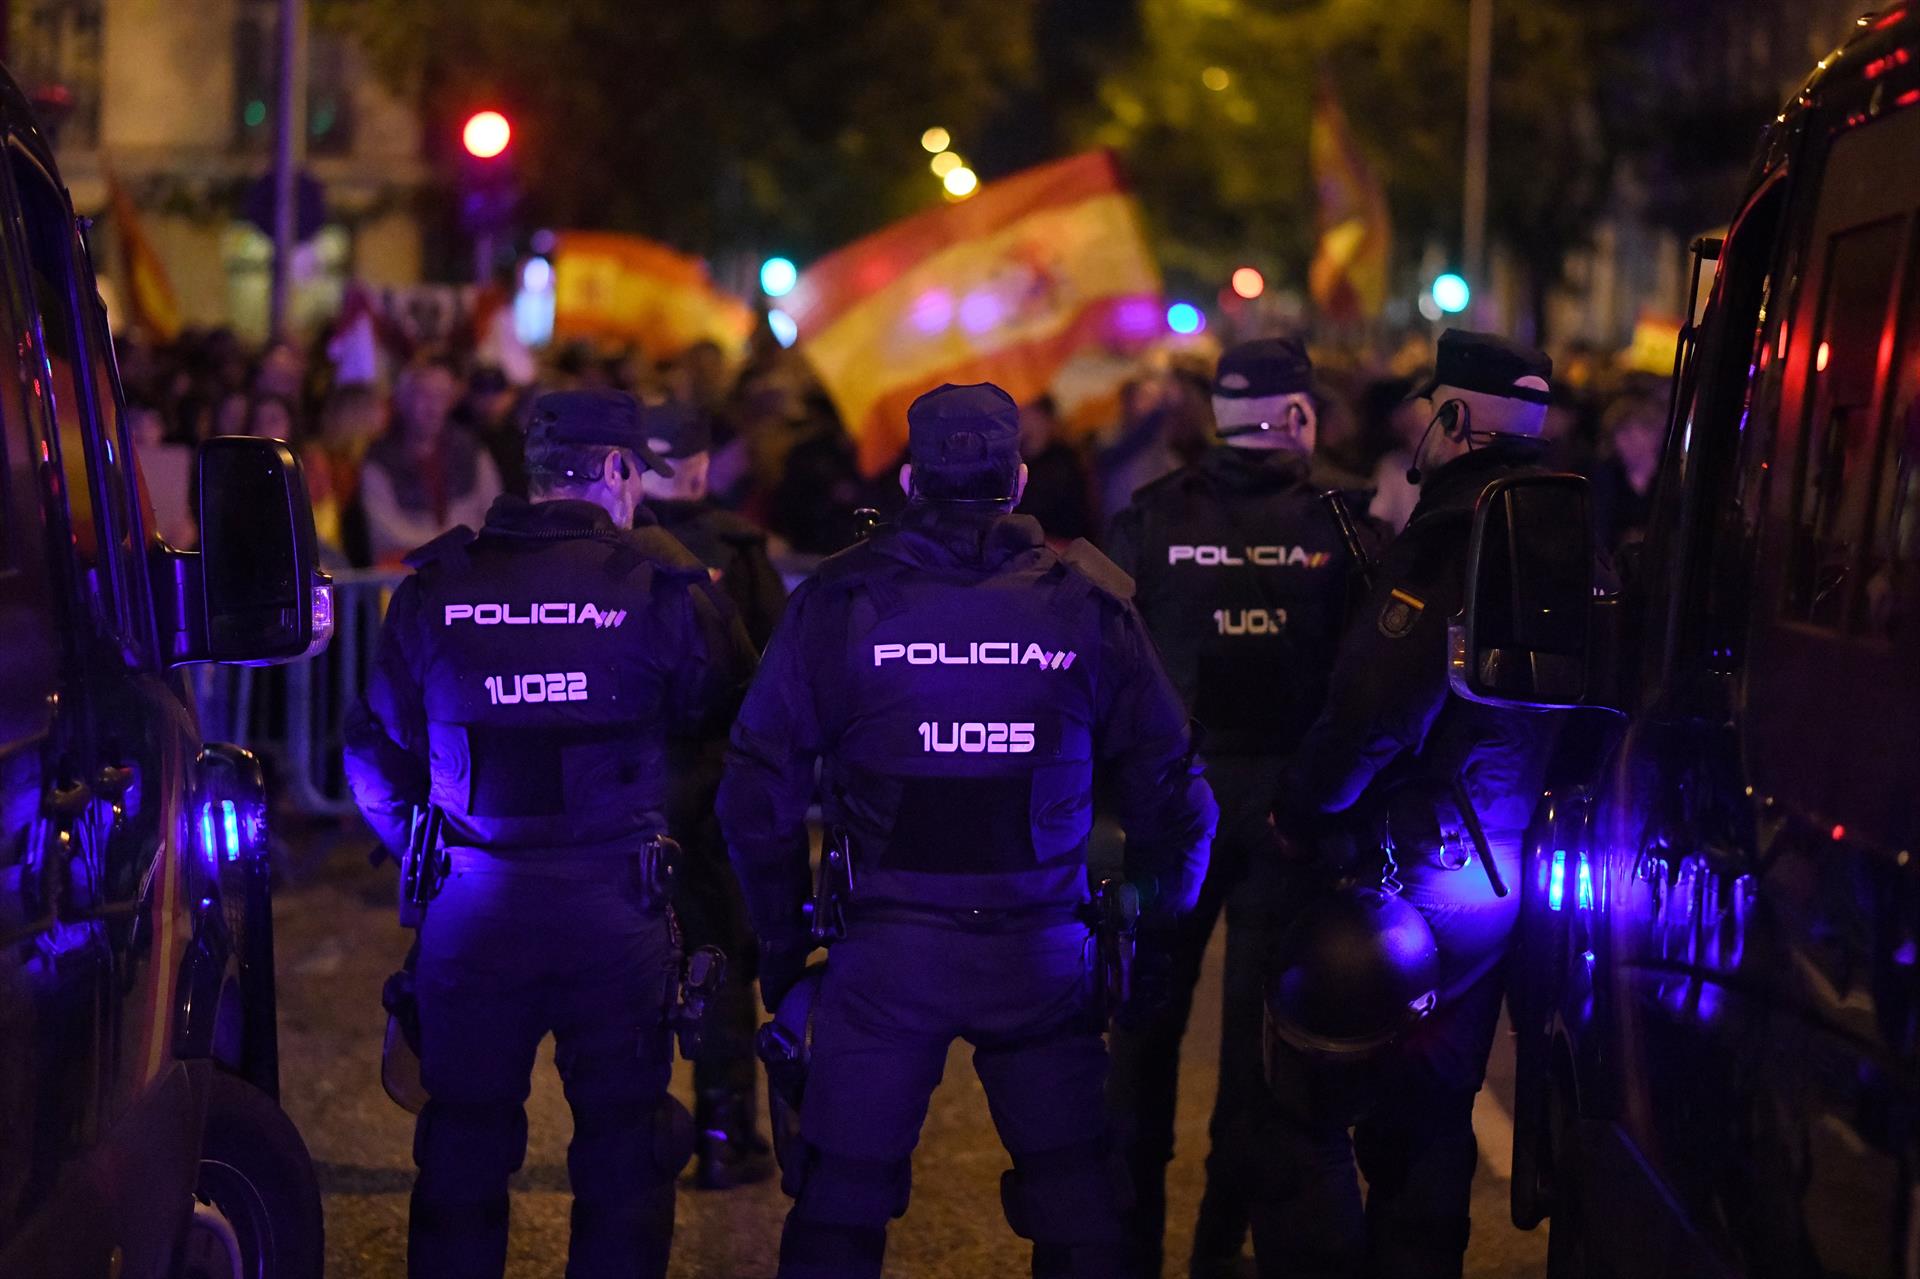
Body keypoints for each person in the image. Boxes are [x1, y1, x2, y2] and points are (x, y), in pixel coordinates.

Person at [718, 382, 1218, 1279]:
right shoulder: (1087, 603)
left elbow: (756, 791)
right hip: (1043, 957)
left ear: (910, 480)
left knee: (838, 1206)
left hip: (884, 959)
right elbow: (1178, 796)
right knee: (1080, 1210)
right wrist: (1150, 943)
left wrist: (787, 952)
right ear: (1018, 479)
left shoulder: (839, 600)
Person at [342, 388, 755, 1279]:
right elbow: (732, 721)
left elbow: (372, 752)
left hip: (472, 909)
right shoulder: (663, 589)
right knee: (625, 1151)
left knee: (460, 1147)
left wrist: (430, 846)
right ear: (613, 469)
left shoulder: (437, 586)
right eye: (633, 474)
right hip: (616, 909)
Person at [1267, 330, 1571, 1278]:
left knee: (1306, 1104)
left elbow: (1373, 712)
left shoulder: (1449, 540)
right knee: (1436, 1119)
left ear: (1458, 418)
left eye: (1433, 409)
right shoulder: (1567, 534)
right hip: (1503, 870)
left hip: (1413, 870)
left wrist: (1302, 813)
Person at [1103, 337, 1385, 1278]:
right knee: (1258, 1063)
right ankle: (1217, 1252)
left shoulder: (1149, 518)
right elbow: (1371, 688)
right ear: (1299, 415)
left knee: (1139, 1042)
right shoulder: (1344, 524)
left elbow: (1101, 670)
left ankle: (1124, 1255)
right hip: (1287, 822)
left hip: (1168, 811)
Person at [638, 400, 789, 1189]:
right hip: (716, 785)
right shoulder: (738, 549)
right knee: (719, 955)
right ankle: (726, 1132)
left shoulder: (609, 549)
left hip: (627, 788)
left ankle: (631, 1131)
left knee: (628, 960)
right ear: (700, 465)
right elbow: (777, 669)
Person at [362, 361, 504, 564]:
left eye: (441, 396)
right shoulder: (381, 460)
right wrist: (446, 547)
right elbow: (384, 535)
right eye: (423, 396)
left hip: (468, 567)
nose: (433, 407)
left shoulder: (471, 451)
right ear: (403, 400)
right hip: (408, 571)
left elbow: (494, 514)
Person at [1015, 394, 1095, 546]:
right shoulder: (1024, 464)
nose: (1021, 423)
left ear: (1045, 418)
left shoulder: (1064, 463)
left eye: (1026, 414)